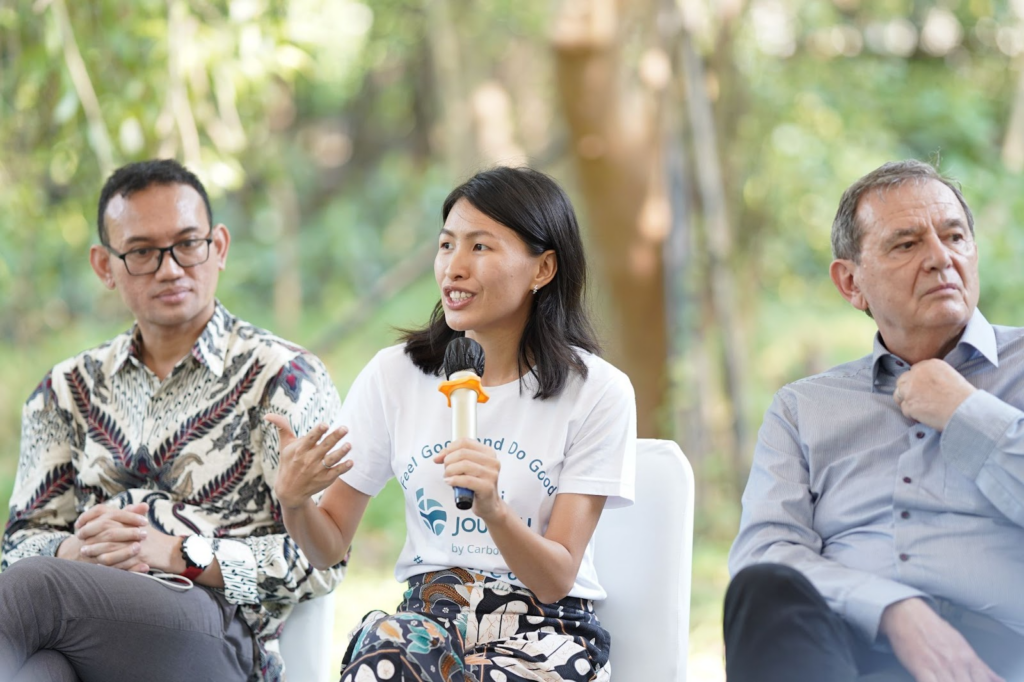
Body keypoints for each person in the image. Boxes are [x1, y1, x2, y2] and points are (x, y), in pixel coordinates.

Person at [268, 166, 636, 682]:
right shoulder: (394, 375)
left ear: (543, 268)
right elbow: (328, 546)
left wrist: (494, 509)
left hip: (547, 629)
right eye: (446, 245)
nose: (453, 268)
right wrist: (294, 501)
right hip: (427, 621)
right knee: (383, 657)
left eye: (480, 247)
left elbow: (556, 579)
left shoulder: (597, 390)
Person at [0, 159, 345, 682]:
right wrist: (74, 550)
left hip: (220, 636)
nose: (169, 269)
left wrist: (178, 554)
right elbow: (17, 546)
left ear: (219, 247)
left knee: (35, 590)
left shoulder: (284, 378)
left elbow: (319, 562)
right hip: (85, 630)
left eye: (187, 244)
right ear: (104, 266)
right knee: (39, 670)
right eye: (142, 252)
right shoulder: (64, 390)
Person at [725, 160, 1024, 682]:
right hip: (837, 651)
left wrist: (965, 413)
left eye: (955, 236)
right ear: (851, 282)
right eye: (906, 244)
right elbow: (764, 552)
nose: (941, 258)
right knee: (764, 589)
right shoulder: (802, 408)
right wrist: (890, 609)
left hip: (995, 655)